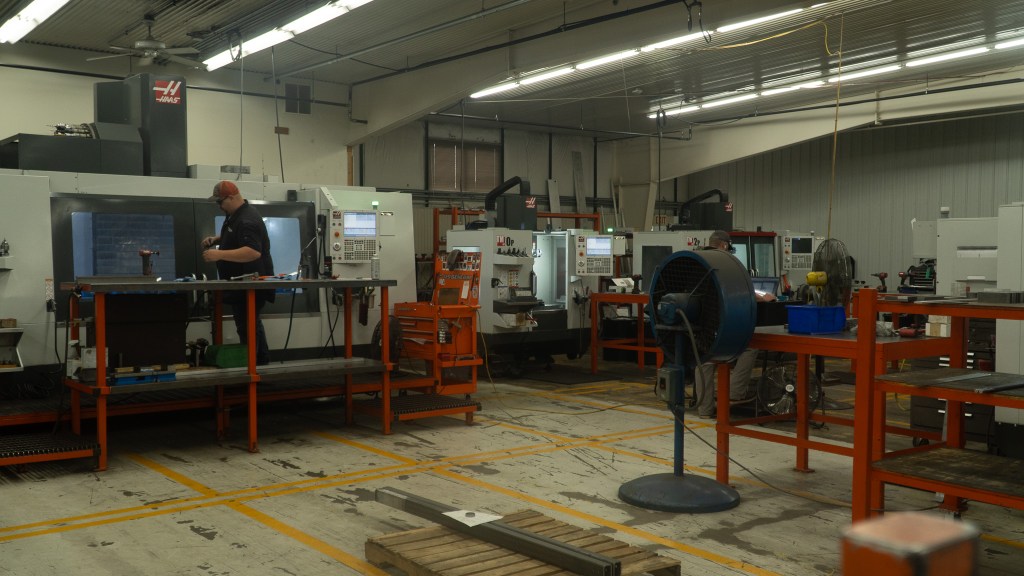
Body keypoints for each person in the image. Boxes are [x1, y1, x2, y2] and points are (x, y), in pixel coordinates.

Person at [695, 230, 776, 418]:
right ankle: (734, 393)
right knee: (750, 347)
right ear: (724, 245)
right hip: (722, 327)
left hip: (699, 328)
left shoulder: (697, 259)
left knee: (704, 362)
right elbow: (739, 291)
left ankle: (704, 410)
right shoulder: (725, 262)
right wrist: (764, 297)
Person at [202, 181, 275, 365]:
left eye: (220, 202)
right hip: (241, 283)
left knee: (248, 326)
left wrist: (218, 254)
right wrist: (218, 239)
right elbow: (239, 237)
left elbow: (252, 251)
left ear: (232, 197)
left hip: (250, 284)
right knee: (249, 324)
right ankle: (258, 362)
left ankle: (254, 366)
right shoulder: (236, 214)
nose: (219, 206)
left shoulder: (246, 219)